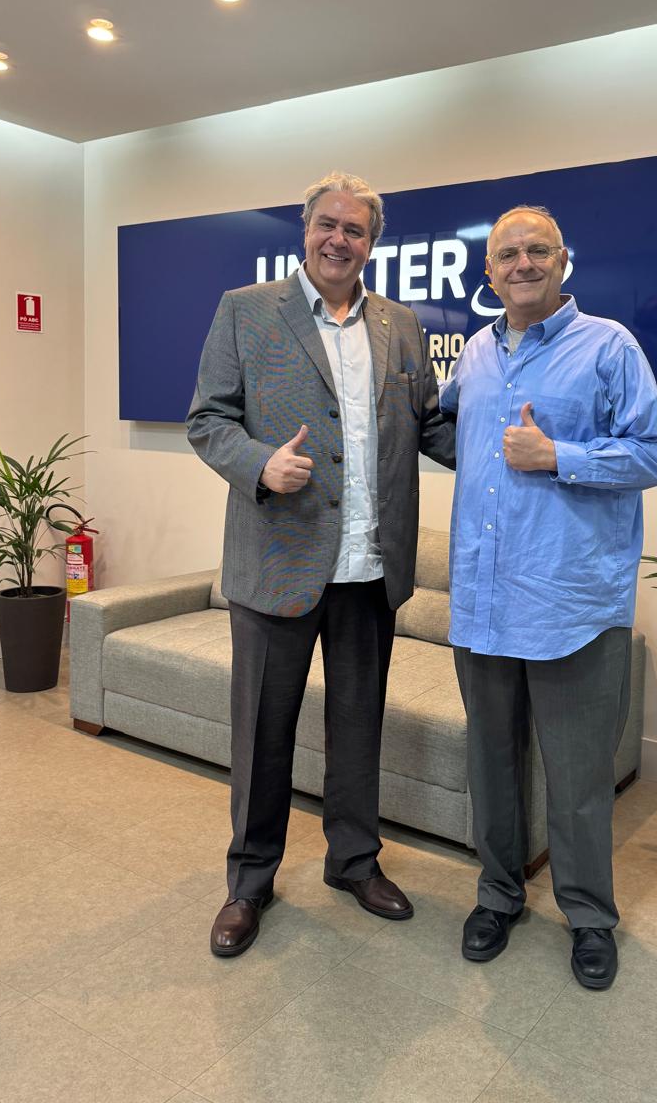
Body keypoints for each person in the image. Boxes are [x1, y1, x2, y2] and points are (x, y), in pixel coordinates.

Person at [188, 171, 455, 958]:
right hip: (278, 563)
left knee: (357, 726)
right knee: (262, 735)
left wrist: (511, 454)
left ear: (373, 243)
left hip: (370, 566)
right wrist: (260, 464)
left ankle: (354, 861)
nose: (340, 239)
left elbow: (429, 424)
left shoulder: (401, 325)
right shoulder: (246, 310)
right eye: (327, 225)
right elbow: (207, 419)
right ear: (304, 229)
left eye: (356, 229)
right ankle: (249, 882)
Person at [440, 205, 657, 990]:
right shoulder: (475, 353)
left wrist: (558, 456)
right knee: (491, 764)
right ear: (489, 272)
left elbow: (655, 453)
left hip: (570, 605)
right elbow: (451, 431)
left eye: (537, 249)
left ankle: (589, 915)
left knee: (577, 780)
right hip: (484, 599)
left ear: (563, 260)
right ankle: (497, 894)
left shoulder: (608, 346)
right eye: (508, 253)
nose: (523, 263)